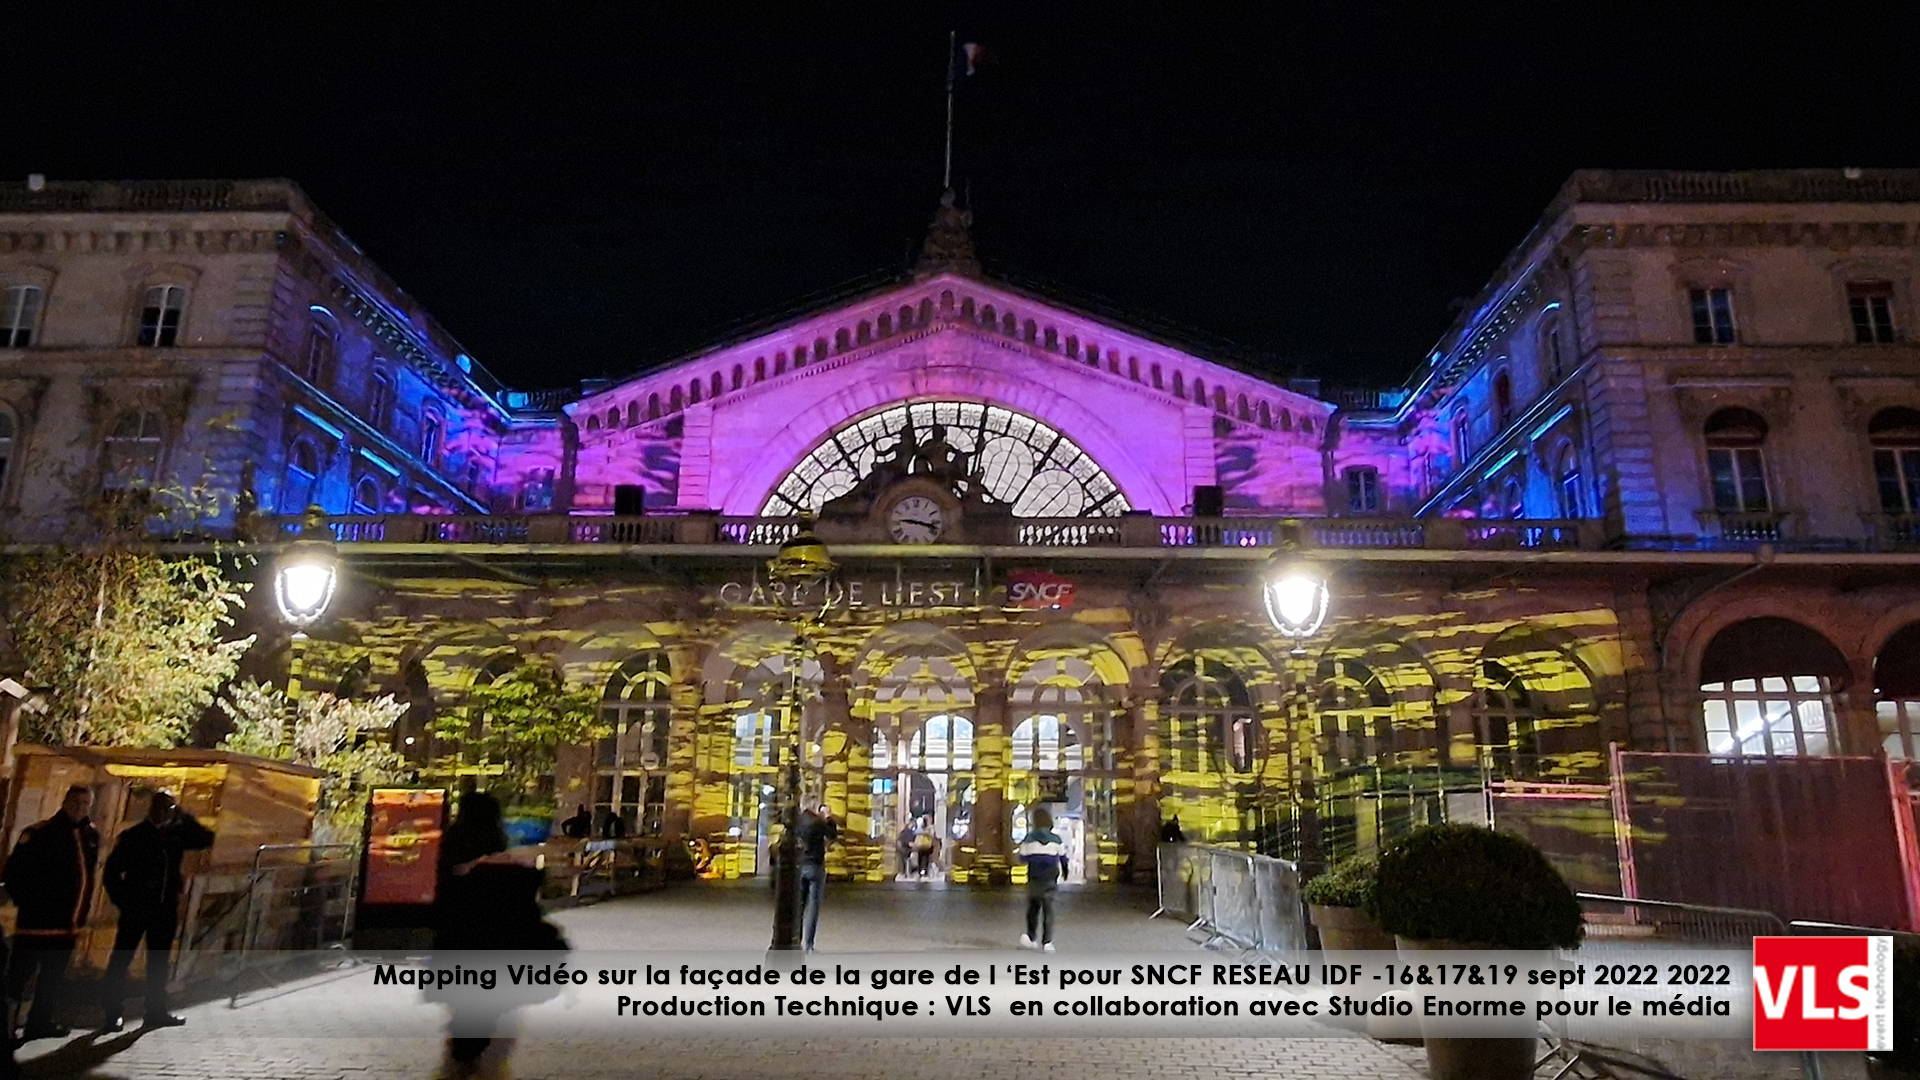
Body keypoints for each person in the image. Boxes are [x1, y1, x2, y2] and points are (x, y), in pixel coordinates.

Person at [431, 791, 568, 1080]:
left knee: (466, 1010)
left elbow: (442, 901)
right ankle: (475, 1058)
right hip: (497, 946)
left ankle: (463, 1055)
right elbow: (522, 902)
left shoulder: (449, 848)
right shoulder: (498, 853)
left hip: (459, 945)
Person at [97, 790, 215, 1031]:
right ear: (152, 809)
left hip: (164, 909)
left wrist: (185, 816)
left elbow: (206, 838)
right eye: (162, 808)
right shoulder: (135, 836)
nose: (165, 813)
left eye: (170, 809)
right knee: (122, 957)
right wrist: (125, 901)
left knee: (159, 961)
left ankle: (155, 1011)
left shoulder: (175, 835)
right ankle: (112, 1012)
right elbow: (111, 873)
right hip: (136, 908)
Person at [4, 784, 100, 1041]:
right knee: (18, 978)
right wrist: (32, 904)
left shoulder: (90, 835)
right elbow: (14, 874)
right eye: (76, 802)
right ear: (65, 802)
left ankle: (39, 1023)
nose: (80, 808)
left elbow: (85, 878)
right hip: (35, 925)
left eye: (85, 803)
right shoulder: (40, 833)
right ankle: (6, 1027)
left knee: (52, 980)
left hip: (68, 927)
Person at [1016, 807, 1069, 953]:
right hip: (1050, 877)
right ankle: (1047, 942)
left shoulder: (1028, 839)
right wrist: (1065, 873)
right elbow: (1063, 859)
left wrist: (1035, 855)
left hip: (1034, 877)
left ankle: (1031, 937)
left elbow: (1022, 858)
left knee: (1033, 908)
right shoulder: (1056, 840)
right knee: (1048, 909)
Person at [797, 803, 837, 951]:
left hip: (801, 865)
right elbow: (832, 835)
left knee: (799, 905)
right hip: (815, 865)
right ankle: (809, 944)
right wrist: (828, 818)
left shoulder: (799, 821)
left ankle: (796, 939)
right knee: (813, 906)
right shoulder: (818, 823)